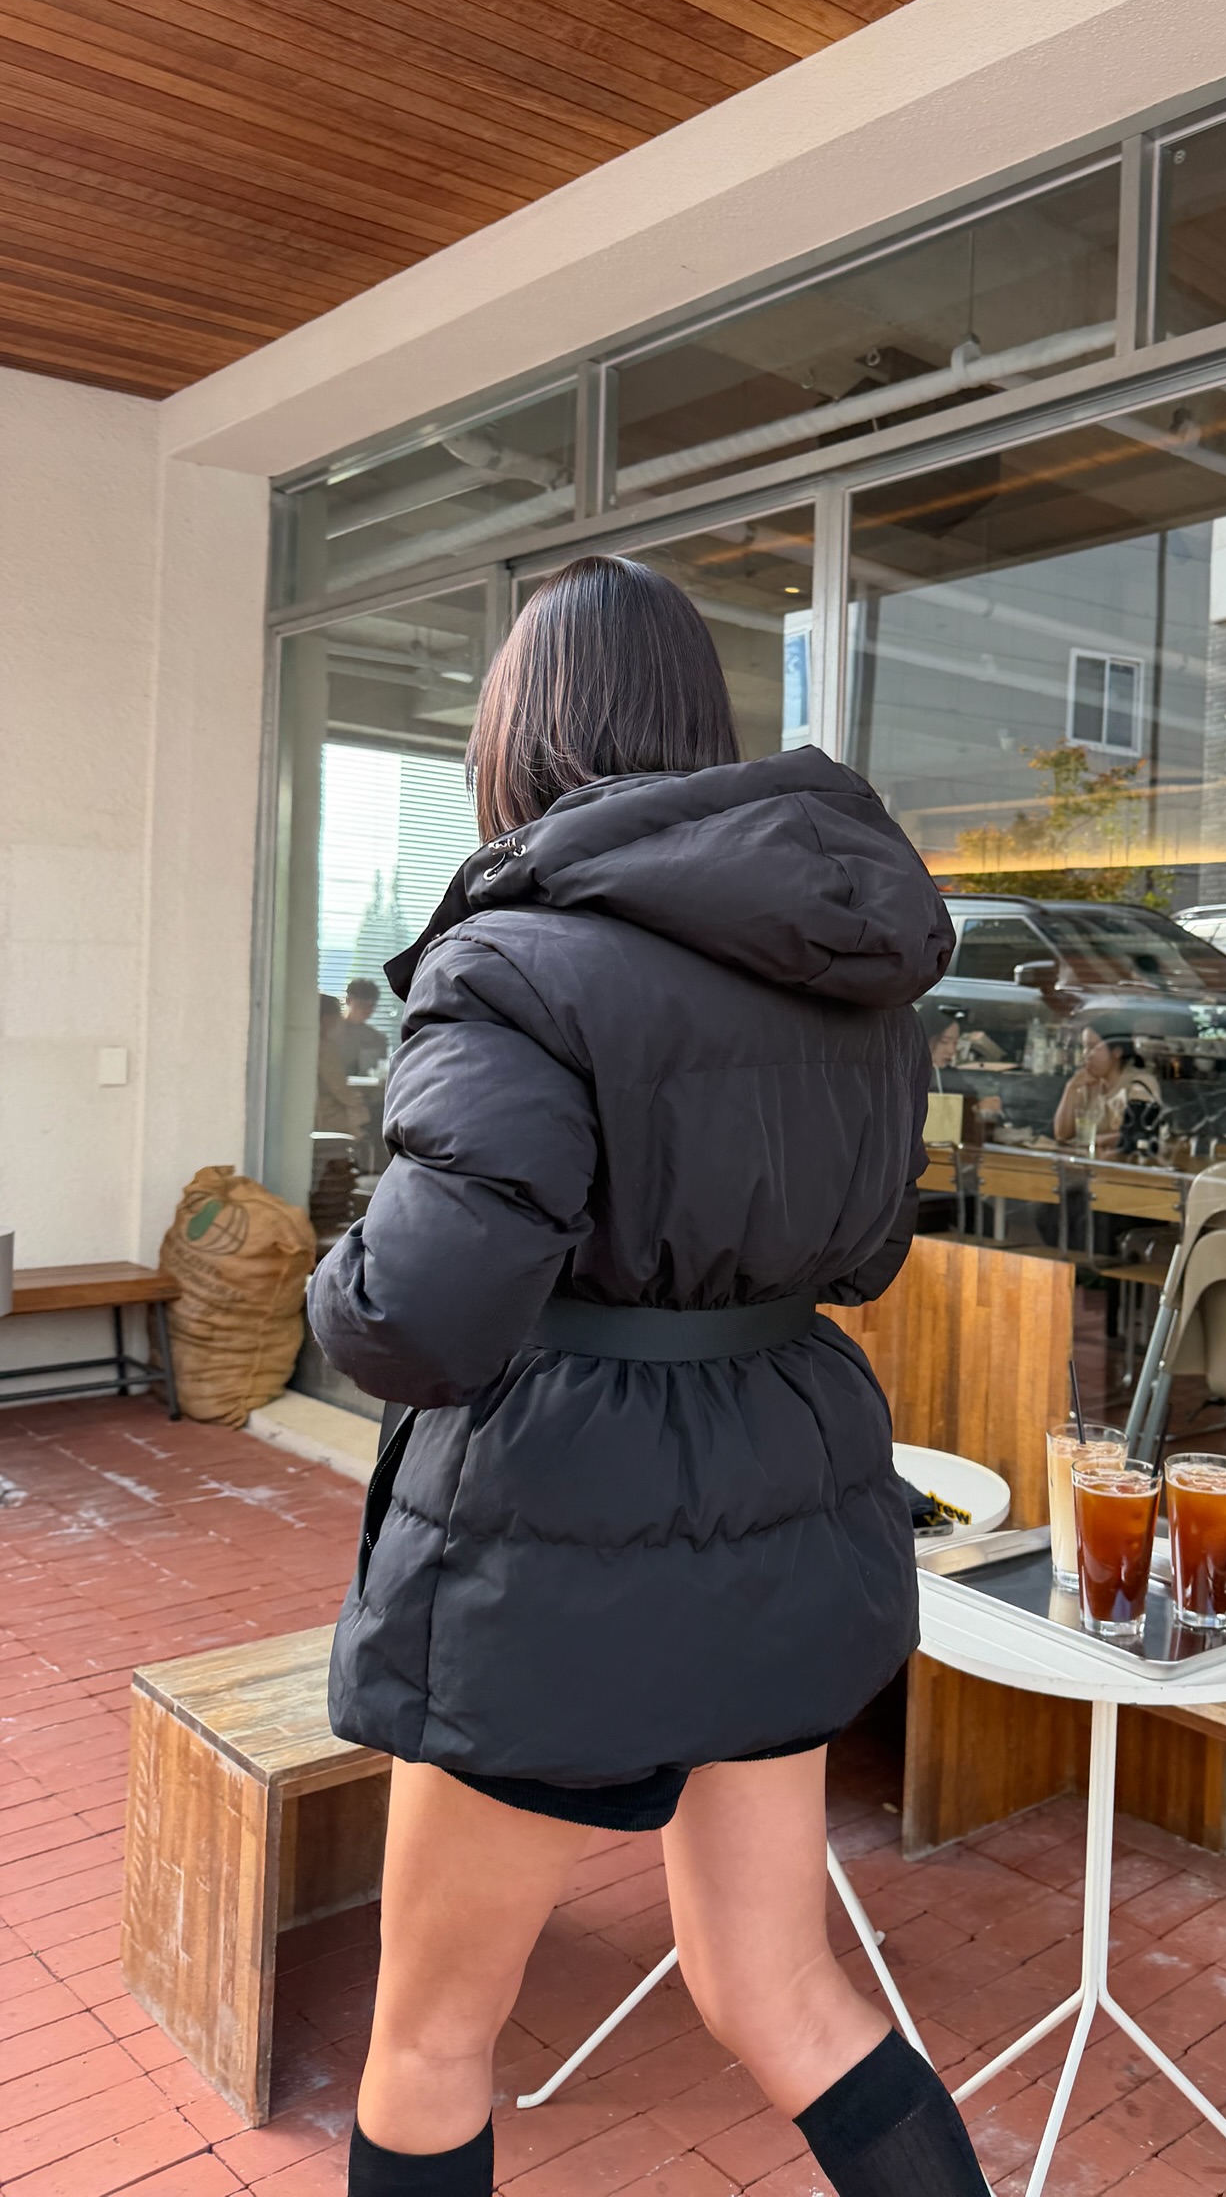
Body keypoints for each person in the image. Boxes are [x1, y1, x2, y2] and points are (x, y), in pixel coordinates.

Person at [308, 555, 987, 2197]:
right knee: (780, 1990)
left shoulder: (513, 959)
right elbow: (864, 1257)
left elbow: (417, 1315)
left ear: (520, 730)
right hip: (779, 1505)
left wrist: (337, 1266)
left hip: (562, 1541)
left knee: (429, 2041)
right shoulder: (841, 976)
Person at [1052, 1026, 1163, 1157]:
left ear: (1116, 1052)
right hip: (1089, 1162)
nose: (1085, 1055)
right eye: (1084, 1047)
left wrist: (1095, 1141)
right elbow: (1062, 1135)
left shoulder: (1140, 1083)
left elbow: (1139, 1134)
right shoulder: (1086, 1084)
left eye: (1092, 1047)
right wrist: (1070, 1088)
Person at [315, 992, 357, 1132]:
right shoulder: (325, 1048)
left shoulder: (307, 1044)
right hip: (327, 1114)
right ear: (327, 1019)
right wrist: (360, 1103)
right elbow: (340, 1090)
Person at [336, 977, 390, 1078]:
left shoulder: (378, 1039)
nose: (367, 1010)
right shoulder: (330, 1032)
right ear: (348, 1000)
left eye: (371, 1006)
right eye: (362, 1004)